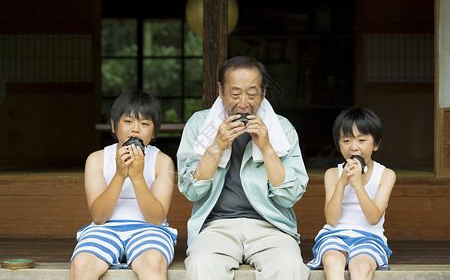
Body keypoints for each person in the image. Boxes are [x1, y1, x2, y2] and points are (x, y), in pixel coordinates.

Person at [177, 55, 310, 280]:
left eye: (251, 94)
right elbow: (191, 190)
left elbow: (290, 196)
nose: (243, 103)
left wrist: (267, 148)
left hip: (271, 226)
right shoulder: (199, 125)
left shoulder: (282, 129)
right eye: (235, 93)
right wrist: (216, 146)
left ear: (264, 93)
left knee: (290, 265)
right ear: (221, 91)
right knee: (202, 265)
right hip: (216, 225)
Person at [70, 90, 177, 280]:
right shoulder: (97, 160)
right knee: (82, 263)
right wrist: (120, 175)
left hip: (149, 230)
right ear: (113, 125)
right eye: (128, 121)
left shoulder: (162, 162)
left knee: (153, 261)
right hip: (104, 228)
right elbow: (99, 216)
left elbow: (156, 219)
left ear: (153, 132)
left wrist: (137, 178)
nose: (136, 129)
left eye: (145, 124)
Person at [307, 107, 396, 280]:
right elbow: (331, 220)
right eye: (346, 140)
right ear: (338, 145)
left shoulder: (385, 175)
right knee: (332, 261)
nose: (353, 147)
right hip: (335, 235)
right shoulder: (332, 174)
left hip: (369, 238)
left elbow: (373, 218)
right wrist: (342, 183)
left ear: (376, 144)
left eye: (362, 140)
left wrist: (357, 185)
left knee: (361, 266)